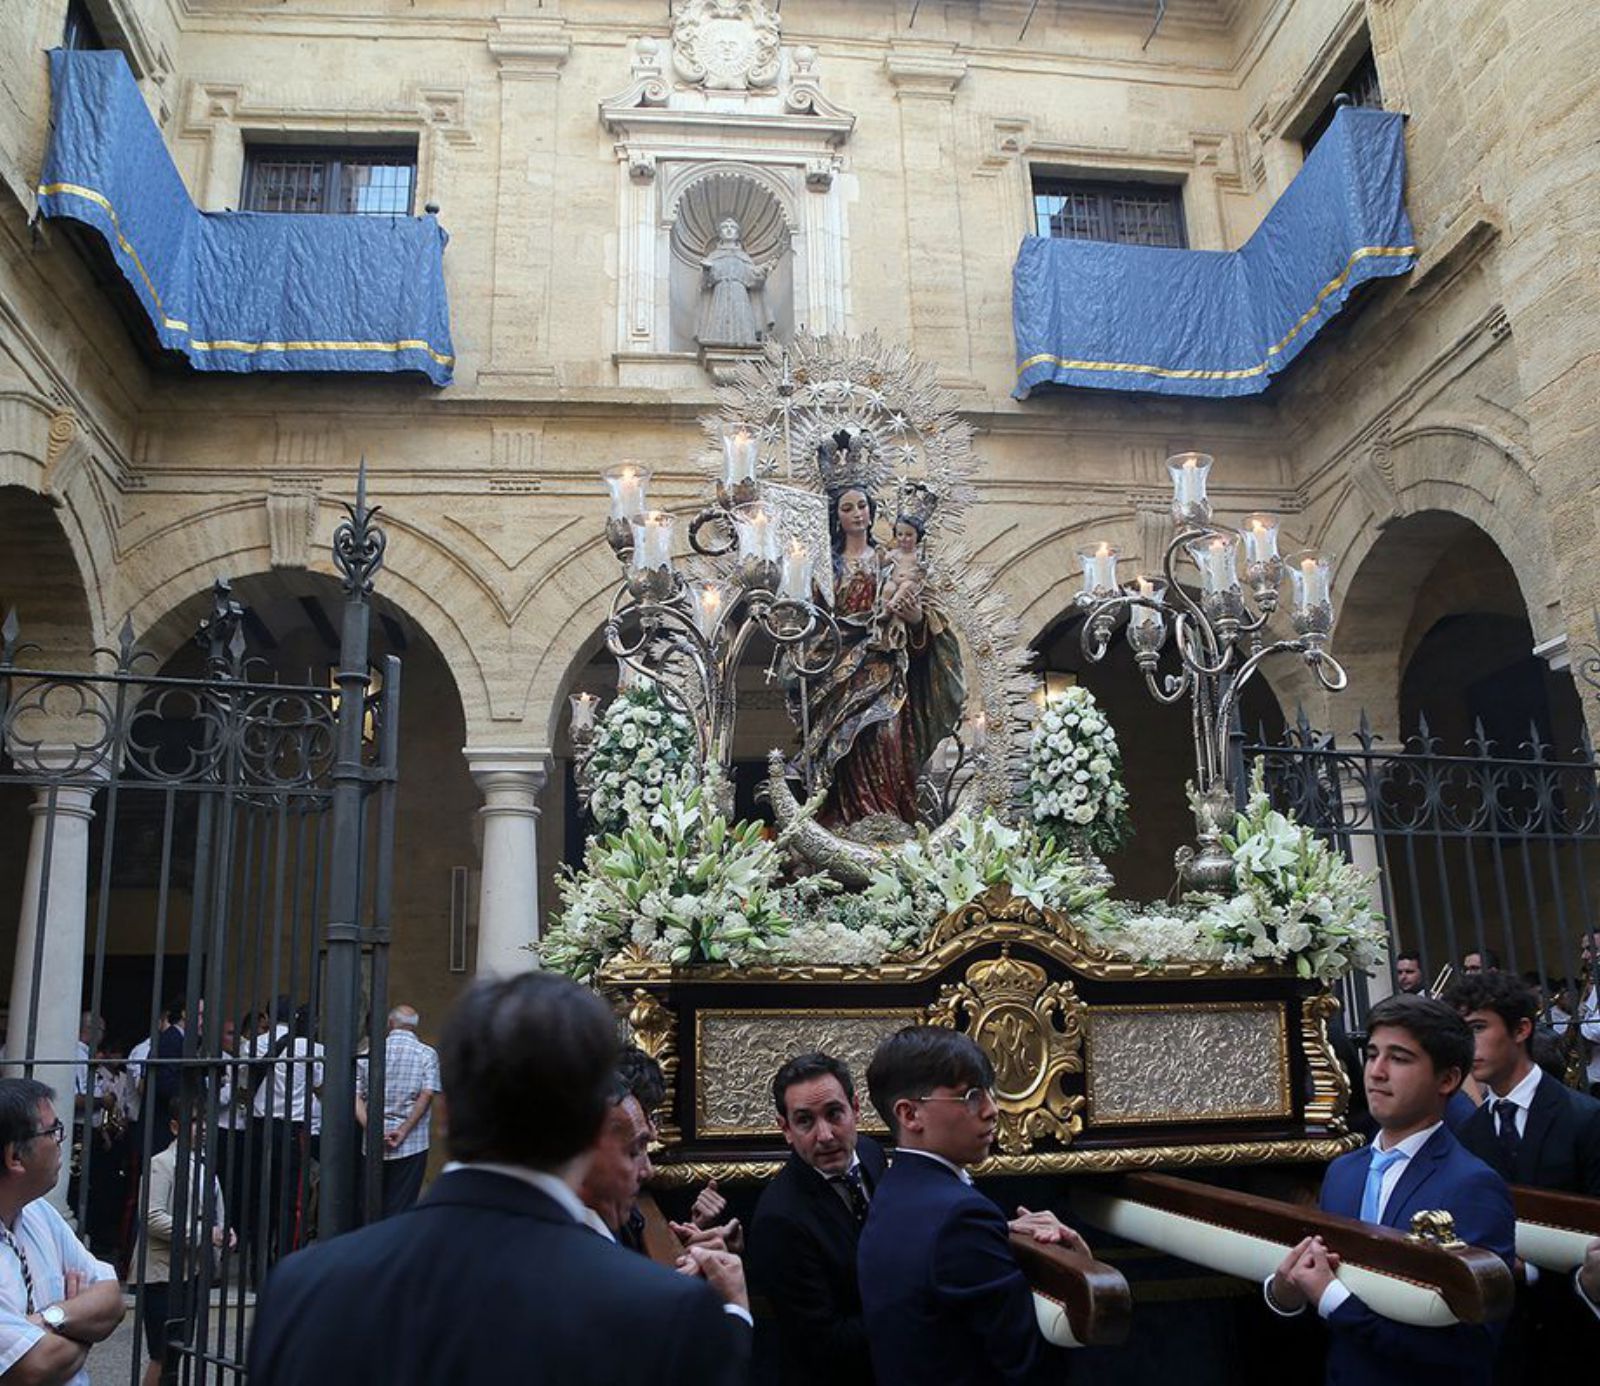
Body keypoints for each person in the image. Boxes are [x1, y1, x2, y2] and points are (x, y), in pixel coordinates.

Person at [247, 972, 752, 1386]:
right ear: (590, 1128)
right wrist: (735, 1318)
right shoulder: (663, 1313)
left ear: (444, 1116)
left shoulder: (302, 1287)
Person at [1265, 994, 1514, 1386]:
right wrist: (1286, 1295)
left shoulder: (1472, 1185)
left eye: (1399, 1058)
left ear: (1447, 1080)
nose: (1376, 1072)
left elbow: (1471, 1347)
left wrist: (1333, 1300)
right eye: (1373, 1053)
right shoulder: (1343, 1172)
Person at [857, 1026, 1090, 1386]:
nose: (991, 1110)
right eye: (970, 1097)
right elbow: (1027, 1367)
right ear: (909, 1115)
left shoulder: (895, 1187)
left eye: (989, 1093)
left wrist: (999, 1232)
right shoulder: (960, 1217)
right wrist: (1079, 1274)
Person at [1445, 970, 1600, 1379]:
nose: (1466, 1045)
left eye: (1477, 1028)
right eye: (1460, 1033)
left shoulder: (1584, 1118)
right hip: (1501, 1349)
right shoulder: (1466, 1134)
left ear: (1521, 1029)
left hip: (1577, 1337)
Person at [794, 459, 964, 828]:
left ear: (873, 511)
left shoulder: (889, 561)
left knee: (885, 740)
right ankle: (846, 820)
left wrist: (914, 617)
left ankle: (886, 818)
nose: (857, 514)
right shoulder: (827, 567)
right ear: (835, 516)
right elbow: (813, 625)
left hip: (885, 673)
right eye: (847, 507)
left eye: (863, 506)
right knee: (844, 751)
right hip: (838, 677)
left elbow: (919, 637)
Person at [748, 1052, 887, 1386]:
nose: (825, 1135)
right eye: (806, 1121)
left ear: (856, 1109)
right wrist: (915, 1306)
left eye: (834, 1113)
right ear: (786, 1129)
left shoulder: (870, 1153)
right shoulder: (779, 1220)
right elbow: (827, 1343)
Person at [0, 1078, 125, 1386]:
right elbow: (35, 1367)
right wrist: (84, 1331)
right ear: (15, 1156)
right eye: (53, 1132)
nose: (61, 1142)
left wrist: (50, 1319)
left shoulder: (39, 1213)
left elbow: (112, 1300)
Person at [136, 1099, 233, 1386]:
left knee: (176, 1353)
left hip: (191, 1270)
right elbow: (152, 1217)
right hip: (163, 1272)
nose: (202, 1127)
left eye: (205, 1119)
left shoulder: (202, 1163)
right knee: (163, 1354)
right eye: (194, 1121)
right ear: (175, 1127)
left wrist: (223, 1231)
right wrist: (206, 1233)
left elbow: (210, 1210)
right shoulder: (161, 1163)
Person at [354, 1005, 439, 1219]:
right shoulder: (427, 1054)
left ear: (391, 1023)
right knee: (401, 1206)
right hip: (412, 1143)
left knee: (371, 1204)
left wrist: (372, 1129)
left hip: (372, 1143)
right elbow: (427, 1094)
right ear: (414, 1026)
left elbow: (355, 1096)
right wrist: (403, 1130)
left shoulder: (368, 1053)